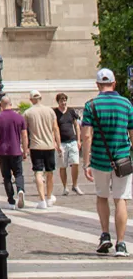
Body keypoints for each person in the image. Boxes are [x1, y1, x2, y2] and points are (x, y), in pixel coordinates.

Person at [82, 68, 133, 258]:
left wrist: (86, 163)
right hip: (123, 160)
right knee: (121, 199)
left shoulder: (91, 105)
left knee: (102, 197)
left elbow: (87, 136)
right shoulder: (126, 104)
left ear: (97, 85)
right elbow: (132, 132)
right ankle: (121, 244)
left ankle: (105, 234)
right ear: (114, 83)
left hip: (99, 159)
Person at [24, 89, 61, 209]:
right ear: (41, 98)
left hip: (35, 146)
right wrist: (58, 144)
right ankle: (49, 196)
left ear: (31, 100)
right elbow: (55, 128)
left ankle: (42, 200)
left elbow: (25, 132)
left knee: (38, 172)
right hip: (49, 145)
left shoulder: (28, 113)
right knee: (50, 172)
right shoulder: (50, 111)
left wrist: (25, 147)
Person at [0, 95, 28, 210]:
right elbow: (24, 135)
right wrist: (25, 150)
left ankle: (11, 201)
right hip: (16, 150)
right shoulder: (19, 118)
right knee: (18, 174)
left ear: (1, 105)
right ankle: (20, 190)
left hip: (3, 151)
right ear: (11, 104)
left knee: (6, 177)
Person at [54, 92, 83, 195]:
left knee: (75, 163)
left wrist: (79, 140)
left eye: (65, 100)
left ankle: (75, 185)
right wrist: (55, 143)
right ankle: (65, 187)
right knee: (63, 166)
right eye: (62, 101)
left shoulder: (71, 111)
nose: (64, 102)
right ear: (58, 102)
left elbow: (76, 126)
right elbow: (53, 128)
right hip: (61, 142)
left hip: (72, 140)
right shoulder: (55, 112)